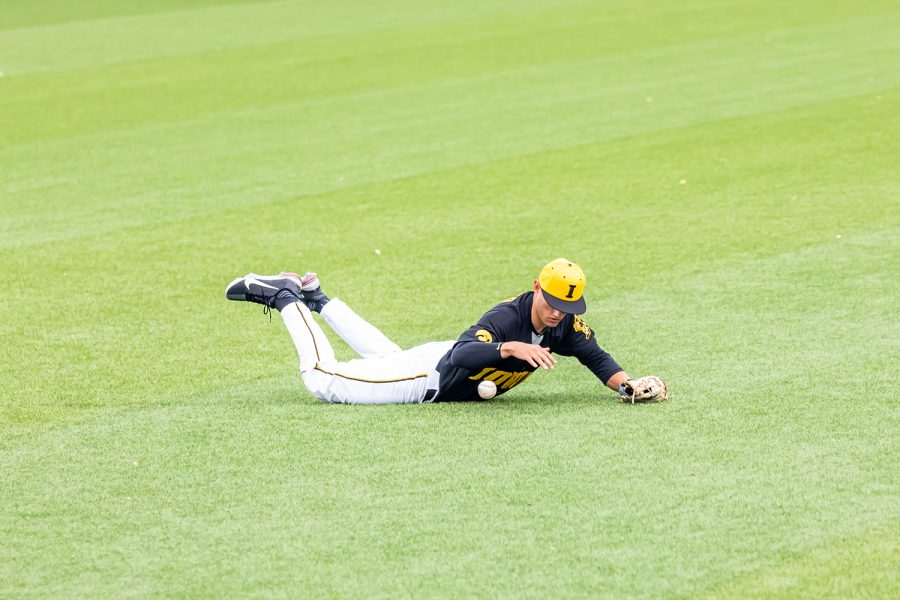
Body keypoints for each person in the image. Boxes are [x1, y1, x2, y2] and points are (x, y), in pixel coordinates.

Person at [225, 259, 667, 404]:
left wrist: (626, 386)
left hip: (430, 362)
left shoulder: (564, 324)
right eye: (553, 303)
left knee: (384, 357)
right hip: (429, 376)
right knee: (325, 381)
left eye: (567, 306)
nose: (558, 313)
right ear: (537, 289)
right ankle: (284, 297)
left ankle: (318, 299)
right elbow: (461, 357)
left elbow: (597, 356)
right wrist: (510, 348)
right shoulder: (505, 319)